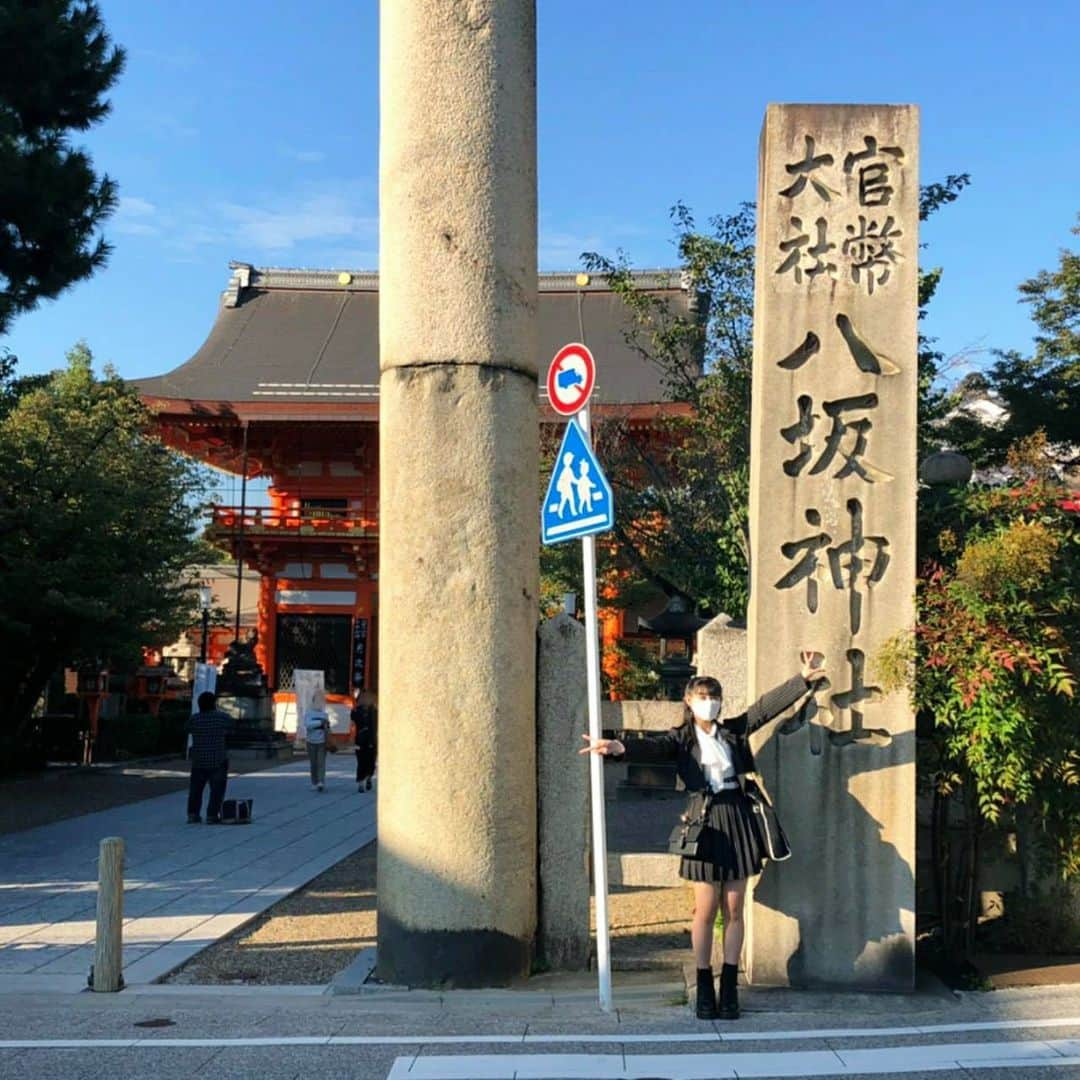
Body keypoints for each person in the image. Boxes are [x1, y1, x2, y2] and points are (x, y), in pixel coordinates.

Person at [581, 649, 827, 1021]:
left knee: (734, 907)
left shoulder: (733, 731)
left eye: (714, 697)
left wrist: (802, 680)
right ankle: (704, 985)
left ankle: (730, 987)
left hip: (738, 816)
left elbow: (764, 709)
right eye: (702, 697)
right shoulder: (680, 738)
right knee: (705, 909)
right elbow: (654, 747)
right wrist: (617, 747)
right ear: (688, 701)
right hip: (703, 821)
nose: (709, 703)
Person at [185, 690, 234, 824]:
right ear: (214, 704)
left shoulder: (194, 719)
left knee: (195, 790)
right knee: (217, 790)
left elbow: (187, 729)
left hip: (199, 759)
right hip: (218, 758)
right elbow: (232, 728)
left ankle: (193, 814)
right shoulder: (223, 718)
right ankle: (212, 815)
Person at [303, 690, 332, 792]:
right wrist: (320, 722)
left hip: (322, 742)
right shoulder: (308, 713)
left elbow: (327, 727)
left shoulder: (325, 714)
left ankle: (321, 782)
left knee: (321, 763)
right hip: (310, 741)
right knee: (313, 763)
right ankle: (314, 782)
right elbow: (307, 725)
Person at [351, 689, 377, 792]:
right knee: (361, 761)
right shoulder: (357, 711)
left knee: (371, 761)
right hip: (360, 739)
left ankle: (369, 777)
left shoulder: (374, 711)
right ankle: (361, 781)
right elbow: (353, 721)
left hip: (372, 739)